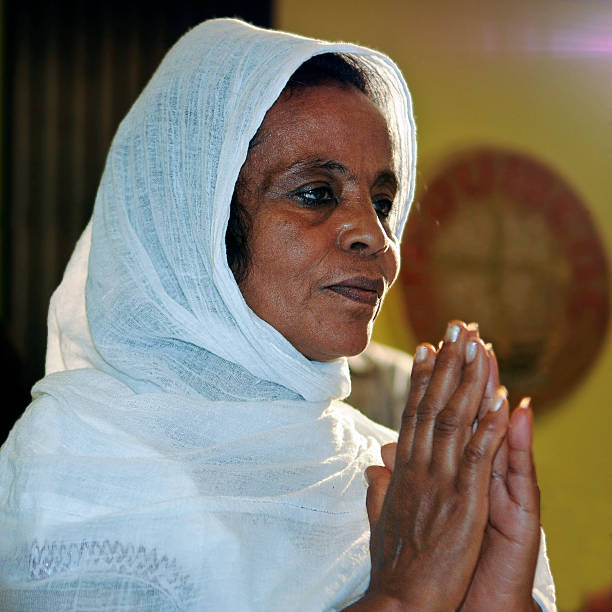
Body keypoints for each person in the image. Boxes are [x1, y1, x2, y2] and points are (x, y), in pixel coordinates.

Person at [0, 18, 555, 611]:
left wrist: (495, 599)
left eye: (384, 202)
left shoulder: (412, 483)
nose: (377, 238)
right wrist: (404, 593)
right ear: (194, 226)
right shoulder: (78, 463)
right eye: (315, 193)